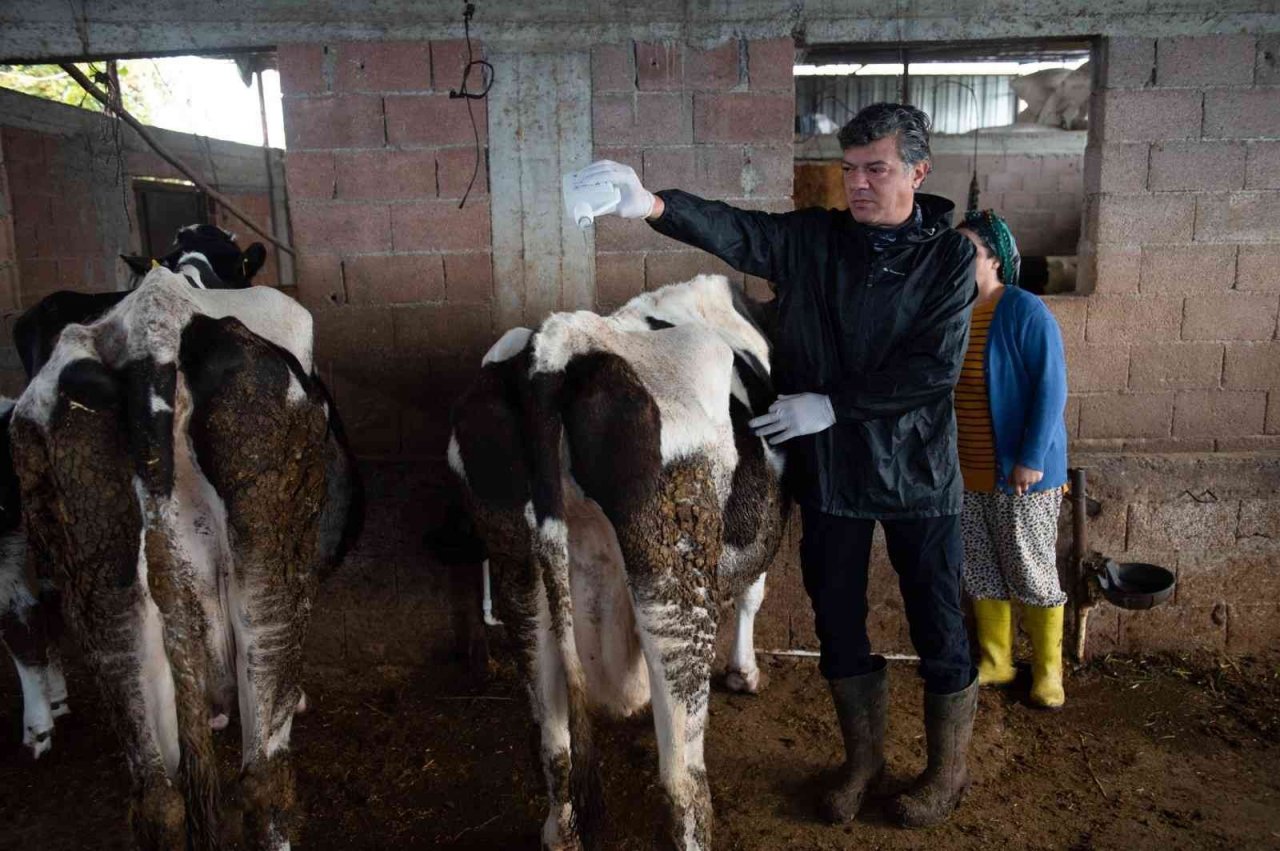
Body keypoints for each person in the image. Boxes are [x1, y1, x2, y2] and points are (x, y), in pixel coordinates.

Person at [575, 102, 979, 829]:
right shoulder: (815, 240)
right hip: (833, 474)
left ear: (918, 171)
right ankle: (863, 759)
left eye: (875, 169)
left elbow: (933, 370)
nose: (857, 183)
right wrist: (654, 205)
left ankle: (946, 769)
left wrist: (832, 403)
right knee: (838, 619)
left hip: (919, 472)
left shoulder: (949, 259)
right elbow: (742, 231)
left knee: (939, 619)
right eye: (849, 169)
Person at [953, 210, 1069, 709]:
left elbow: (1051, 388)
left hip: (1022, 474)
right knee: (980, 566)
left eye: (966, 251)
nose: (955, 260)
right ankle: (997, 661)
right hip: (967, 470)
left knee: (1031, 568)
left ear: (994, 259)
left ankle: (1048, 671)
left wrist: (1031, 457)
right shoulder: (953, 311)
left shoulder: (1024, 310)